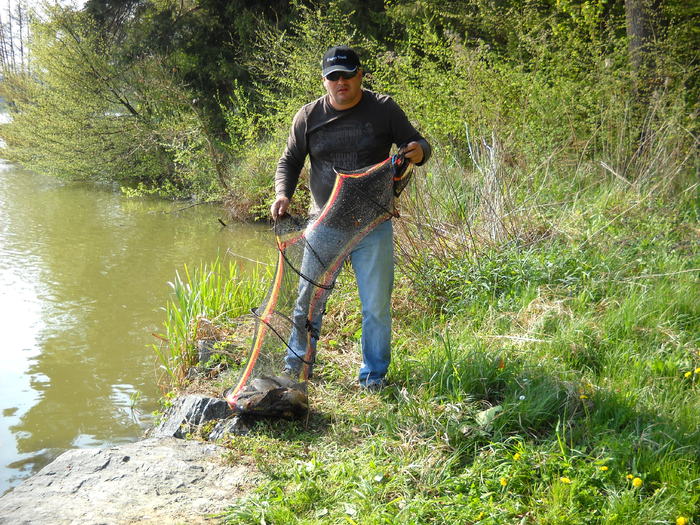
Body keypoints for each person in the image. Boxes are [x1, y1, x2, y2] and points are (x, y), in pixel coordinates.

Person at [270, 45, 431, 390]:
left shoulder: (383, 109)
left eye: (346, 75)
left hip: (372, 224)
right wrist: (283, 193)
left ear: (360, 75)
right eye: (333, 77)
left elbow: (419, 144)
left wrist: (419, 151)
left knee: (375, 307)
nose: (340, 82)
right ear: (325, 81)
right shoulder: (308, 116)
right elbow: (289, 161)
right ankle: (296, 373)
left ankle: (373, 377)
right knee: (306, 304)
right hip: (323, 222)